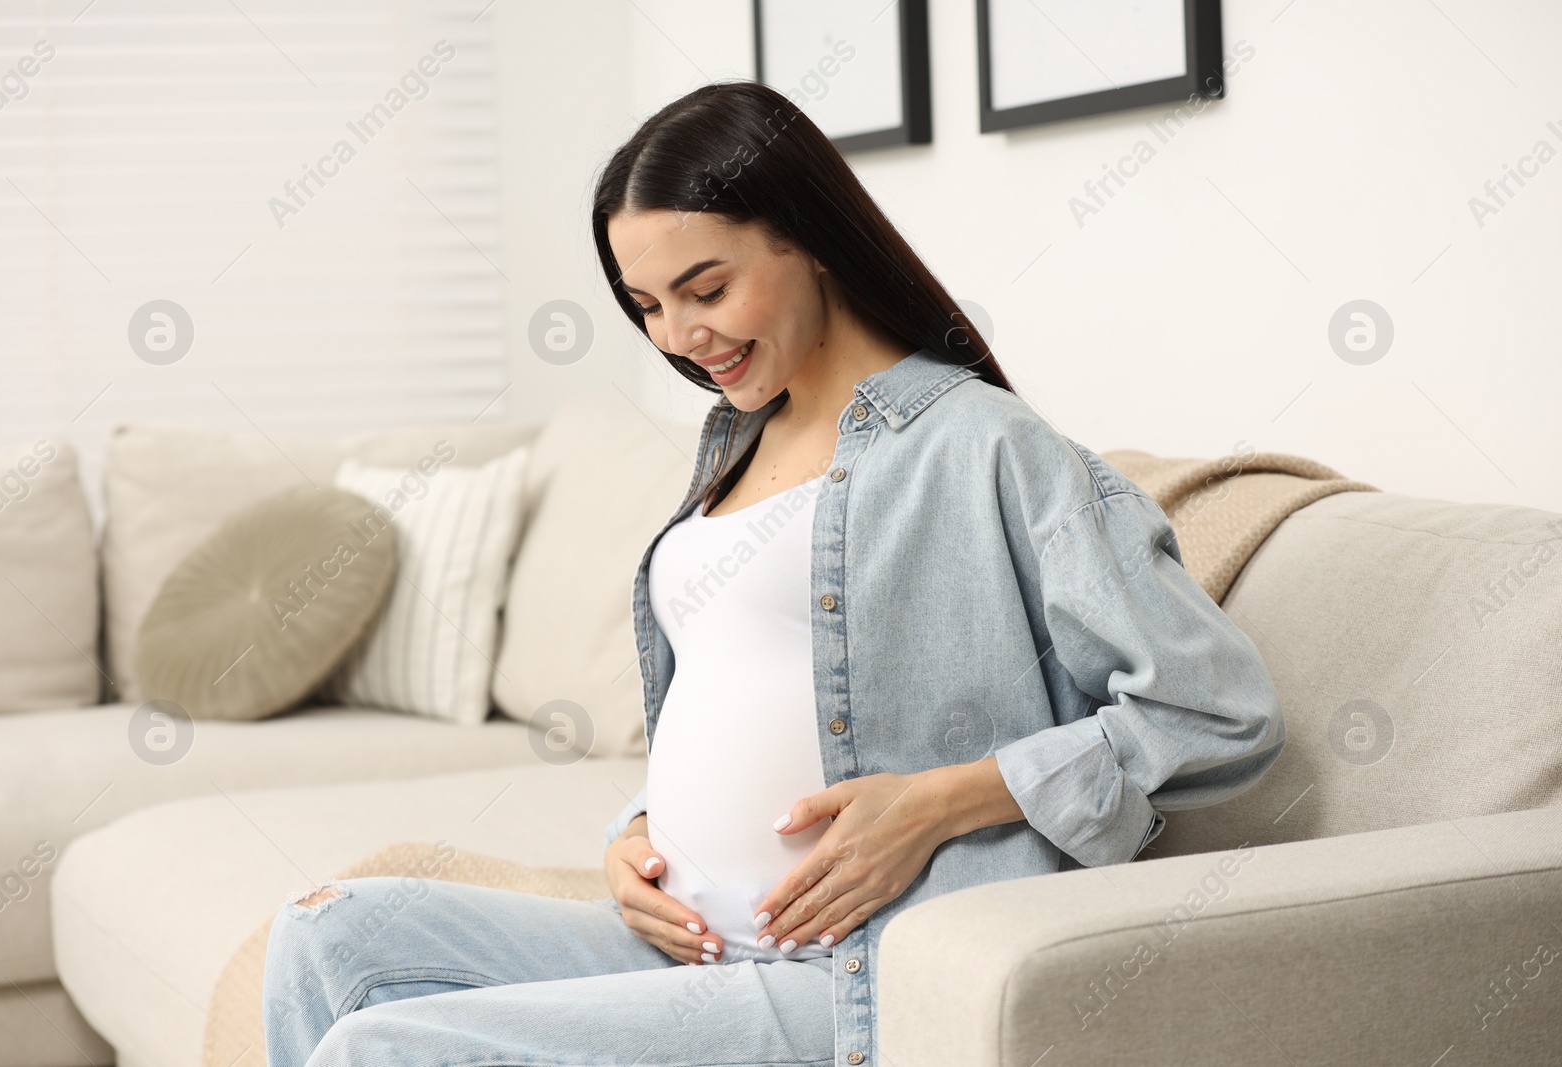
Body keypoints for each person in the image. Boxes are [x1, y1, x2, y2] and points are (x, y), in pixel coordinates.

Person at [262, 79, 1285, 1067]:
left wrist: (939, 802)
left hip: (847, 972)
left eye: (705, 288)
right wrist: (639, 832)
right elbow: (739, 682)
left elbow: (1213, 710)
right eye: (647, 305)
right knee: (325, 932)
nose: (679, 335)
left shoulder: (981, 445)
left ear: (807, 236)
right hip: (685, 940)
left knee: (377, 1049)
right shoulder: (734, 441)